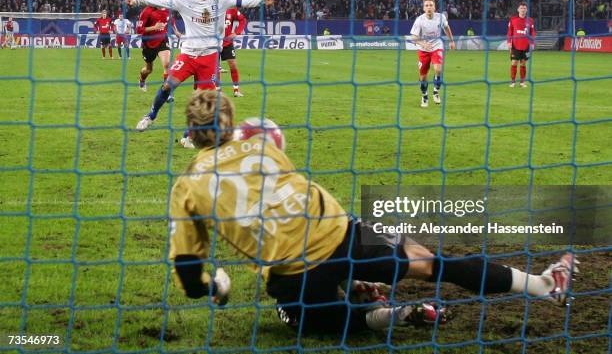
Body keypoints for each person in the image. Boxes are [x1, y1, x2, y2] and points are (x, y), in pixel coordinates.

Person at [168, 89, 580, 335]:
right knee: (435, 265)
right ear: (232, 123)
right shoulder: (262, 144)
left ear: (190, 133)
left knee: (297, 319)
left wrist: (213, 289)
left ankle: (389, 315)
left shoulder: (186, 187)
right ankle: (544, 285)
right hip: (341, 233)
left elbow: (188, 271)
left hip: (293, 272)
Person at [126, 0, 273, 132]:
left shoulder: (222, 0)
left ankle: (188, 135)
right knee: (168, 85)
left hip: (209, 57)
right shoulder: (184, 0)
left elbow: (244, 2)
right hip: (188, 54)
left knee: (203, 99)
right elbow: (160, 0)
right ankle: (150, 116)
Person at [135, 0, 182, 95]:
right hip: (149, 43)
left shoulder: (168, 8)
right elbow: (139, 30)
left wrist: (176, 31)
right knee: (148, 70)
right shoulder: (147, 11)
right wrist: (154, 27)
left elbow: (171, 20)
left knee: (167, 64)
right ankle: (142, 80)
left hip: (162, 40)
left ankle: (166, 92)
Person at [410, 0, 455, 108]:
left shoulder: (441, 17)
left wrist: (452, 41)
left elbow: (447, 28)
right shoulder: (419, 20)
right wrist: (423, 44)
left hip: (436, 46)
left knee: (438, 69)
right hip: (424, 50)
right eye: (427, 6)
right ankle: (424, 96)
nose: (429, 7)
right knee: (423, 77)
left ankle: (436, 91)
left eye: (431, 5)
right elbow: (413, 37)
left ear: (434, 7)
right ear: (423, 8)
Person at [507, 2, 536, 88]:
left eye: (524, 8)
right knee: (514, 62)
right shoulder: (513, 19)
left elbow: (532, 33)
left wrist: (532, 43)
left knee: (523, 63)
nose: (523, 10)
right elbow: (509, 32)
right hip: (515, 45)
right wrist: (509, 42)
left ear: (526, 10)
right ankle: (513, 82)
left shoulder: (530, 20)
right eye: (521, 8)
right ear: (518, 9)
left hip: (526, 46)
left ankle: (522, 82)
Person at [220, 6, 247, 97]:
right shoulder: (211, 8)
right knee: (214, 68)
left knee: (233, 65)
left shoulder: (231, 10)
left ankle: (236, 90)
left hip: (227, 42)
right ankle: (218, 91)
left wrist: (236, 32)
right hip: (214, 43)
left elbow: (243, 20)